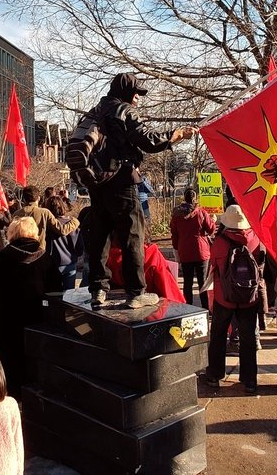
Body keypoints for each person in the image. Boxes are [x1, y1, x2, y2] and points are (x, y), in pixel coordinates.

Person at [80, 72, 196, 309]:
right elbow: (147, 140)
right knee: (133, 235)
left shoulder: (97, 110)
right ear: (126, 93)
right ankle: (135, 293)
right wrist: (175, 136)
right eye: (136, 94)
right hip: (121, 179)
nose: (138, 99)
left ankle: (98, 291)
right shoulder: (124, 111)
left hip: (97, 181)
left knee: (100, 235)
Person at [0, 217, 57, 395]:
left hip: (6, 326)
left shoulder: (2, 259)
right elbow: (56, 291)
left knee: (8, 369)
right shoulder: (45, 258)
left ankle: (10, 400)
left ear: (12, 233)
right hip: (37, 323)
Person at [202, 205, 265, 392]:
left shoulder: (220, 242)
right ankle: (249, 380)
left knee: (219, 335)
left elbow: (213, 266)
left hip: (224, 298)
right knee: (248, 339)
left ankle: (214, 375)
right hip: (249, 297)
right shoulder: (255, 239)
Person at [170, 191, 216, 309]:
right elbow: (211, 230)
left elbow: (174, 235)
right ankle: (205, 307)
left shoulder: (176, 215)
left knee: (187, 282)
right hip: (201, 251)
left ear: (184, 198)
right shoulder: (201, 213)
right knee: (203, 282)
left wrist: (177, 250)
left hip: (185, 251)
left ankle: (188, 308)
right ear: (195, 199)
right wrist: (213, 220)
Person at [44, 196, 83, 292]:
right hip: (69, 263)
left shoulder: (47, 225)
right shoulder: (73, 224)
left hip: (52, 264)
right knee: (69, 297)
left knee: (53, 296)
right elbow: (80, 248)